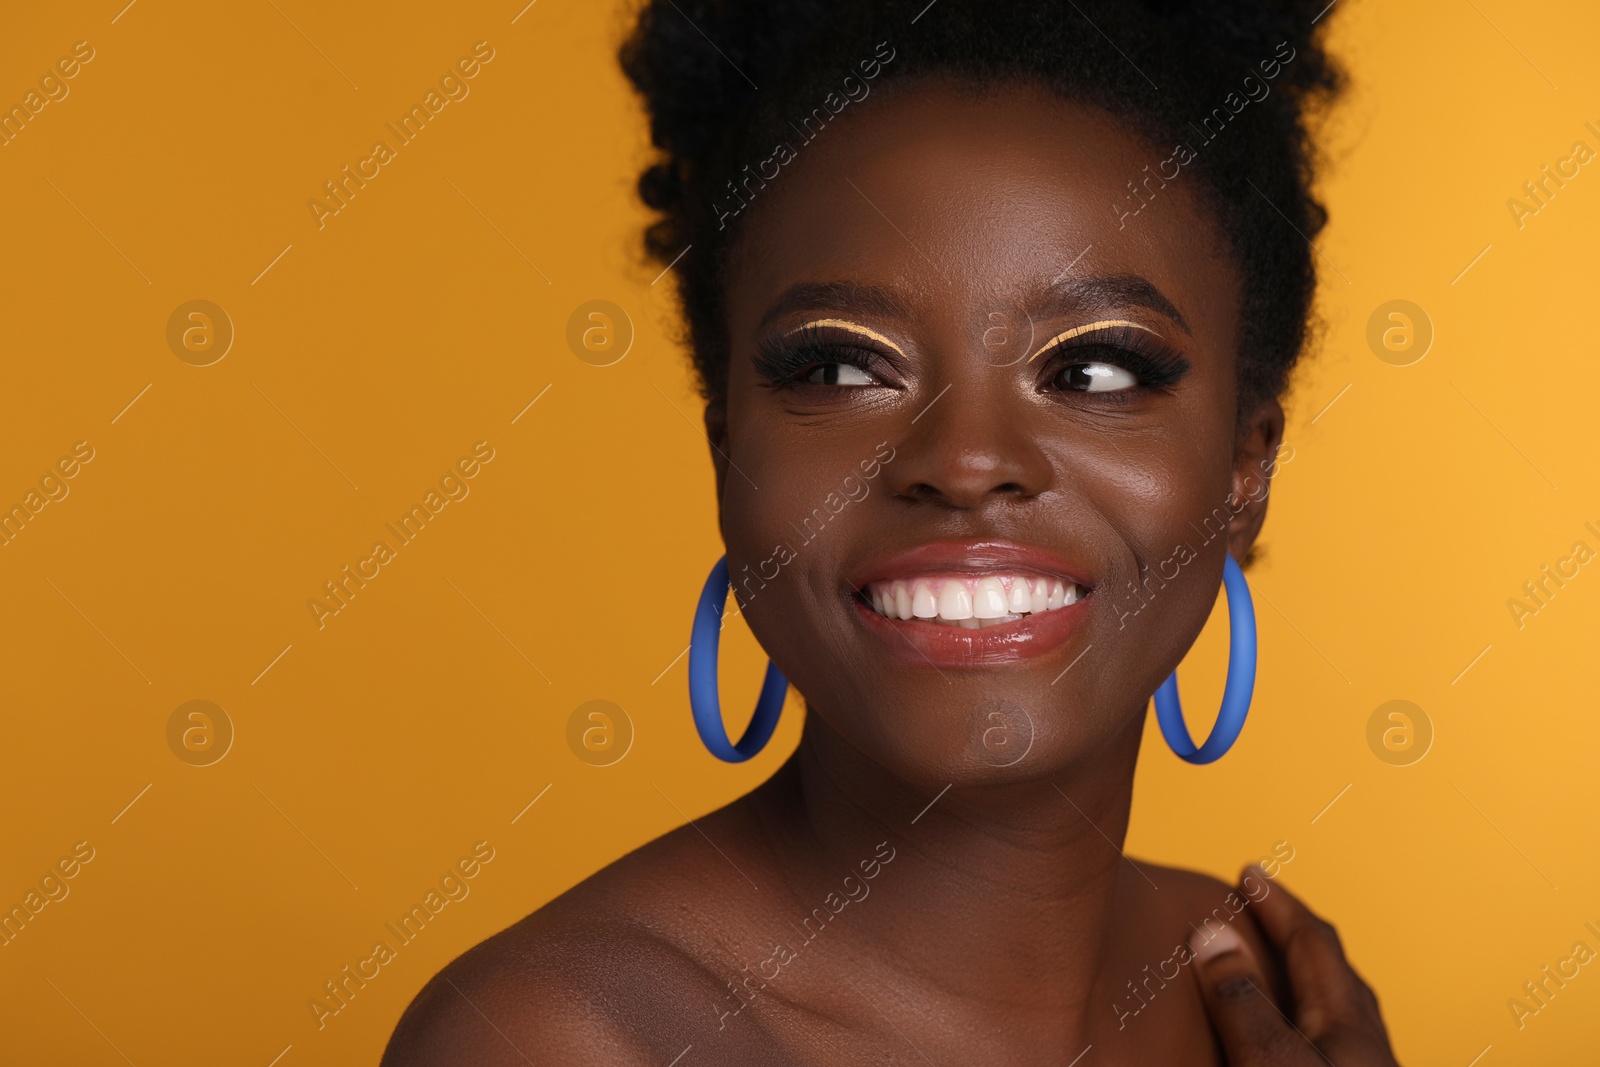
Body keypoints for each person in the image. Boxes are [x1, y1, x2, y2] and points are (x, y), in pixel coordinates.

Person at [384, 0, 1401, 1062]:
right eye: (839, 367)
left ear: (1246, 467)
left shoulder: (1260, 991)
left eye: (1094, 368)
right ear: (726, 451)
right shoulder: (562, 1037)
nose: (963, 461)